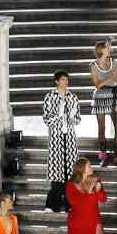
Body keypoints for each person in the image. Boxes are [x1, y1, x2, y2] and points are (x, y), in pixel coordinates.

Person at [43, 70, 81, 212]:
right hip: (56, 137)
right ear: (57, 81)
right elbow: (47, 119)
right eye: (63, 79)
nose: (66, 82)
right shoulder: (49, 97)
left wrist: (70, 117)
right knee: (57, 169)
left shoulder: (73, 97)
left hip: (69, 137)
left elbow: (77, 118)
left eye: (67, 79)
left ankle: (70, 204)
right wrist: (60, 116)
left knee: (69, 171)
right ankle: (53, 204)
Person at [89, 38, 117, 167]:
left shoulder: (113, 62)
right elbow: (97, 85)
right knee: (102, 128)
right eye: (107, 48)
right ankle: (103, 154)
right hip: (100, 96)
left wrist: (113, 78)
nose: (109, 49)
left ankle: (116, 154)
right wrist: (110, 77)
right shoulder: (93, 65)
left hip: (114, 94)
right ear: (102, 50)